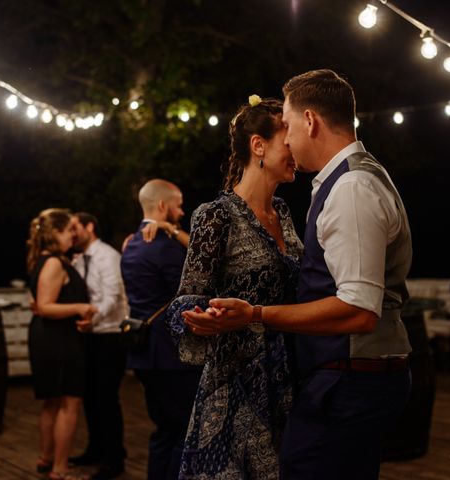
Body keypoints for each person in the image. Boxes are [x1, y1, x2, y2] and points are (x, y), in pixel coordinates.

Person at [184, 69, 413, 480]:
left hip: (340, 379)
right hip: (257, 382)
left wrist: (255, 313)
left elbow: (358, 309)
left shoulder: (350, 189)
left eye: (289, 127)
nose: (288, 140)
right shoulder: (223, 213)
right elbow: (189, 298)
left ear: (310, 122)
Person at [166, 96, 303, 479]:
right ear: (258, 146)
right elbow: (186, 297)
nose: (296, 151)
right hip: (236, 383)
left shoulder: (285, 214)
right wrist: (196, 318)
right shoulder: (216, 216)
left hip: (289, 379)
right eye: (288, 142)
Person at [120, 179, 203, 480]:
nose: (182, 211)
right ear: (163, 206)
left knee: (163, 431)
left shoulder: (130, 245)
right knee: (184, 430)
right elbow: (193, 287)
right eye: (178, 205)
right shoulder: (165, 247)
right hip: (171, 356)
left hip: (144, 354)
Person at [26, 208, 93, 480]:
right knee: (69, 402)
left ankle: (46, 458)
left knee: (52, 402)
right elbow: (44, 306)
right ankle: (60, 469)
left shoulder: (42, 260)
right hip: (58, 339)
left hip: (52, 336)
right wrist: (82, 307)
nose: (73, 235)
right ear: (55, 233)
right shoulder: (54, 262)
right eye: (68, 231)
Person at [68, 212, 129, 480]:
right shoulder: (78, 259)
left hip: (109, 335)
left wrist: (91, 318)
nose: (71, 234)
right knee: (90, 396)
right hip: (88, 335)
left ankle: (114, 458)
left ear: (89, 227)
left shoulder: (108, 256)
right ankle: (95, 448)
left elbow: (113, 297)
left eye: (74, 228)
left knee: (106, 398)